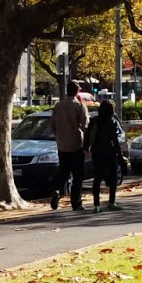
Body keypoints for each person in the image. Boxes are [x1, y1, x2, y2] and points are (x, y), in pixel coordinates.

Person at [50, 80, 88, 211]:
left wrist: (59, 135)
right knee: (78, 176)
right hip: (76, 144)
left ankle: (57, 190)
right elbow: (85, 125)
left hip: (62, 145)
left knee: (63, 171)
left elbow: (52, 125)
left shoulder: (58, 105)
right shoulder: (80, 106)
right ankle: (76, 202)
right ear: (77, 91)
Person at [86, 99, 128, 212]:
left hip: (97, 152)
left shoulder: (94, 121)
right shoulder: (112, 122)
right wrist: (120, 155)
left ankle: (96, 205)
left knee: (97, 178)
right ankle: (111, 202)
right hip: (110, 152)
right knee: (112, 178)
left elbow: (88, 135)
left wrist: (86, 148)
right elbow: (115, 140)